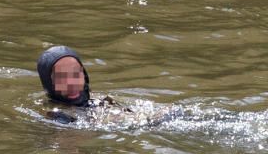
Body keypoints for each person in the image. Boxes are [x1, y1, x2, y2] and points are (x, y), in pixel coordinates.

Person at [36, 45, 170, 126]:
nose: (72, 83)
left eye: (75, 73)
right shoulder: (57, 115)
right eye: (62, 77)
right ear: (49, 83)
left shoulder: (96, 100)